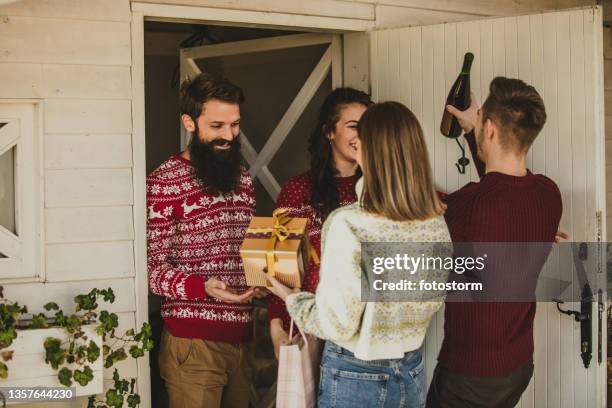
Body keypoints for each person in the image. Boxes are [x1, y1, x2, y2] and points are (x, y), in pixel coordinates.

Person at [268, 102, 451, 407]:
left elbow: (337, 324)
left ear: (369, 151)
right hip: (411, 369)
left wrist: (293, 299)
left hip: (356, 372)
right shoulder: (435, 221)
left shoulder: (349, 223)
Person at [426, 77, 562, 407]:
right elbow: (500, 190)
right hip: (517, 364)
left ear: (489, 129)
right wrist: (476, 128)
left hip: (470, 374)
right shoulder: (548, 194)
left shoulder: (469, 206)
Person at [147, 73, 263, 408]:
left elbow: (245, 254)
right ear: (189, 122)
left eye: (235, 125)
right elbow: (152, 270)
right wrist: (203, 287)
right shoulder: (163, 182)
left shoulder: (242, 178)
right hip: (192, 345)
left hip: (243, 340)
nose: (229, 135)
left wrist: (262, 280)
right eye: (217, 126)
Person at [268, 87, 373, 357]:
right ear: (329, 132)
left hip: (364, 333)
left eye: (368, 126)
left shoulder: (385, 188)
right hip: (311, 325)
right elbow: (279, 263)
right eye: (353, 126)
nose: (362, 134)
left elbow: (442, 206)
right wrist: (277, 326)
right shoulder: (298, 190)